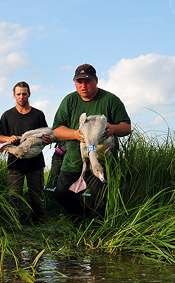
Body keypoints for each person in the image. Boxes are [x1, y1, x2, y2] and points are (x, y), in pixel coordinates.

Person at [52, 64, 131, 218]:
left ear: (96, 80)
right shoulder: (69, 100)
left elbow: (126, 127)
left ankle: (96, 231)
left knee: (99, 203)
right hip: (74, 159)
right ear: (74, 82)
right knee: (61, 195)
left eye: (87, 81)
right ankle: (80, 217)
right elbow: (57, 129)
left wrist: (113, 129)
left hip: (103, 160)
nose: (83, 85)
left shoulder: (110, 100)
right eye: (79, 81)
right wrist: (75, 134)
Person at [0, 81, 53, 223]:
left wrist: (48, 140)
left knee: (37, 195)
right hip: (15, 164)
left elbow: (46, 134)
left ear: (29, 95)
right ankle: (15, 225)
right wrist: (8, 138)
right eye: (19, 94)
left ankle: (39, 225)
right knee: (13, 196)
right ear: (14, 95)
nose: (21, 97)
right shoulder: (7, 115)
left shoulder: (38, 114)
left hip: (36, 163)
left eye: (24, 94)